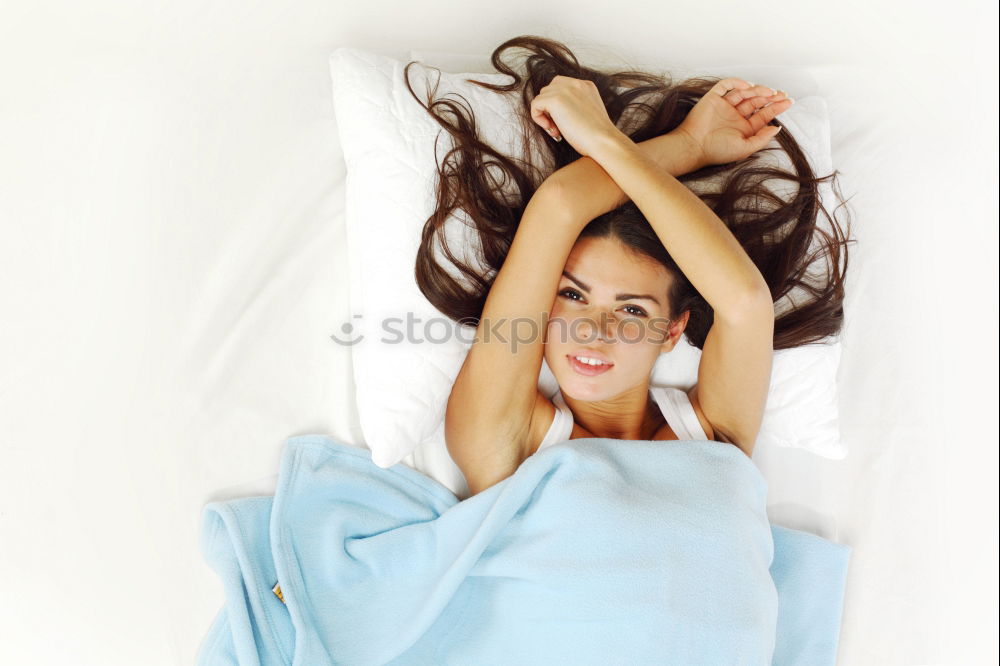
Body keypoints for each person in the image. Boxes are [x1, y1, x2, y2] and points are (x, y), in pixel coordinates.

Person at [408, 36, 852, 497]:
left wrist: (611, 140)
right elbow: (559, 206)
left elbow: (743, 304)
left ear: (672, 331)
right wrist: (687, 145)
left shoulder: (710, 438)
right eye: (573, 295)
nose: (593, 330)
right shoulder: (505, 439)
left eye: (633, 311)